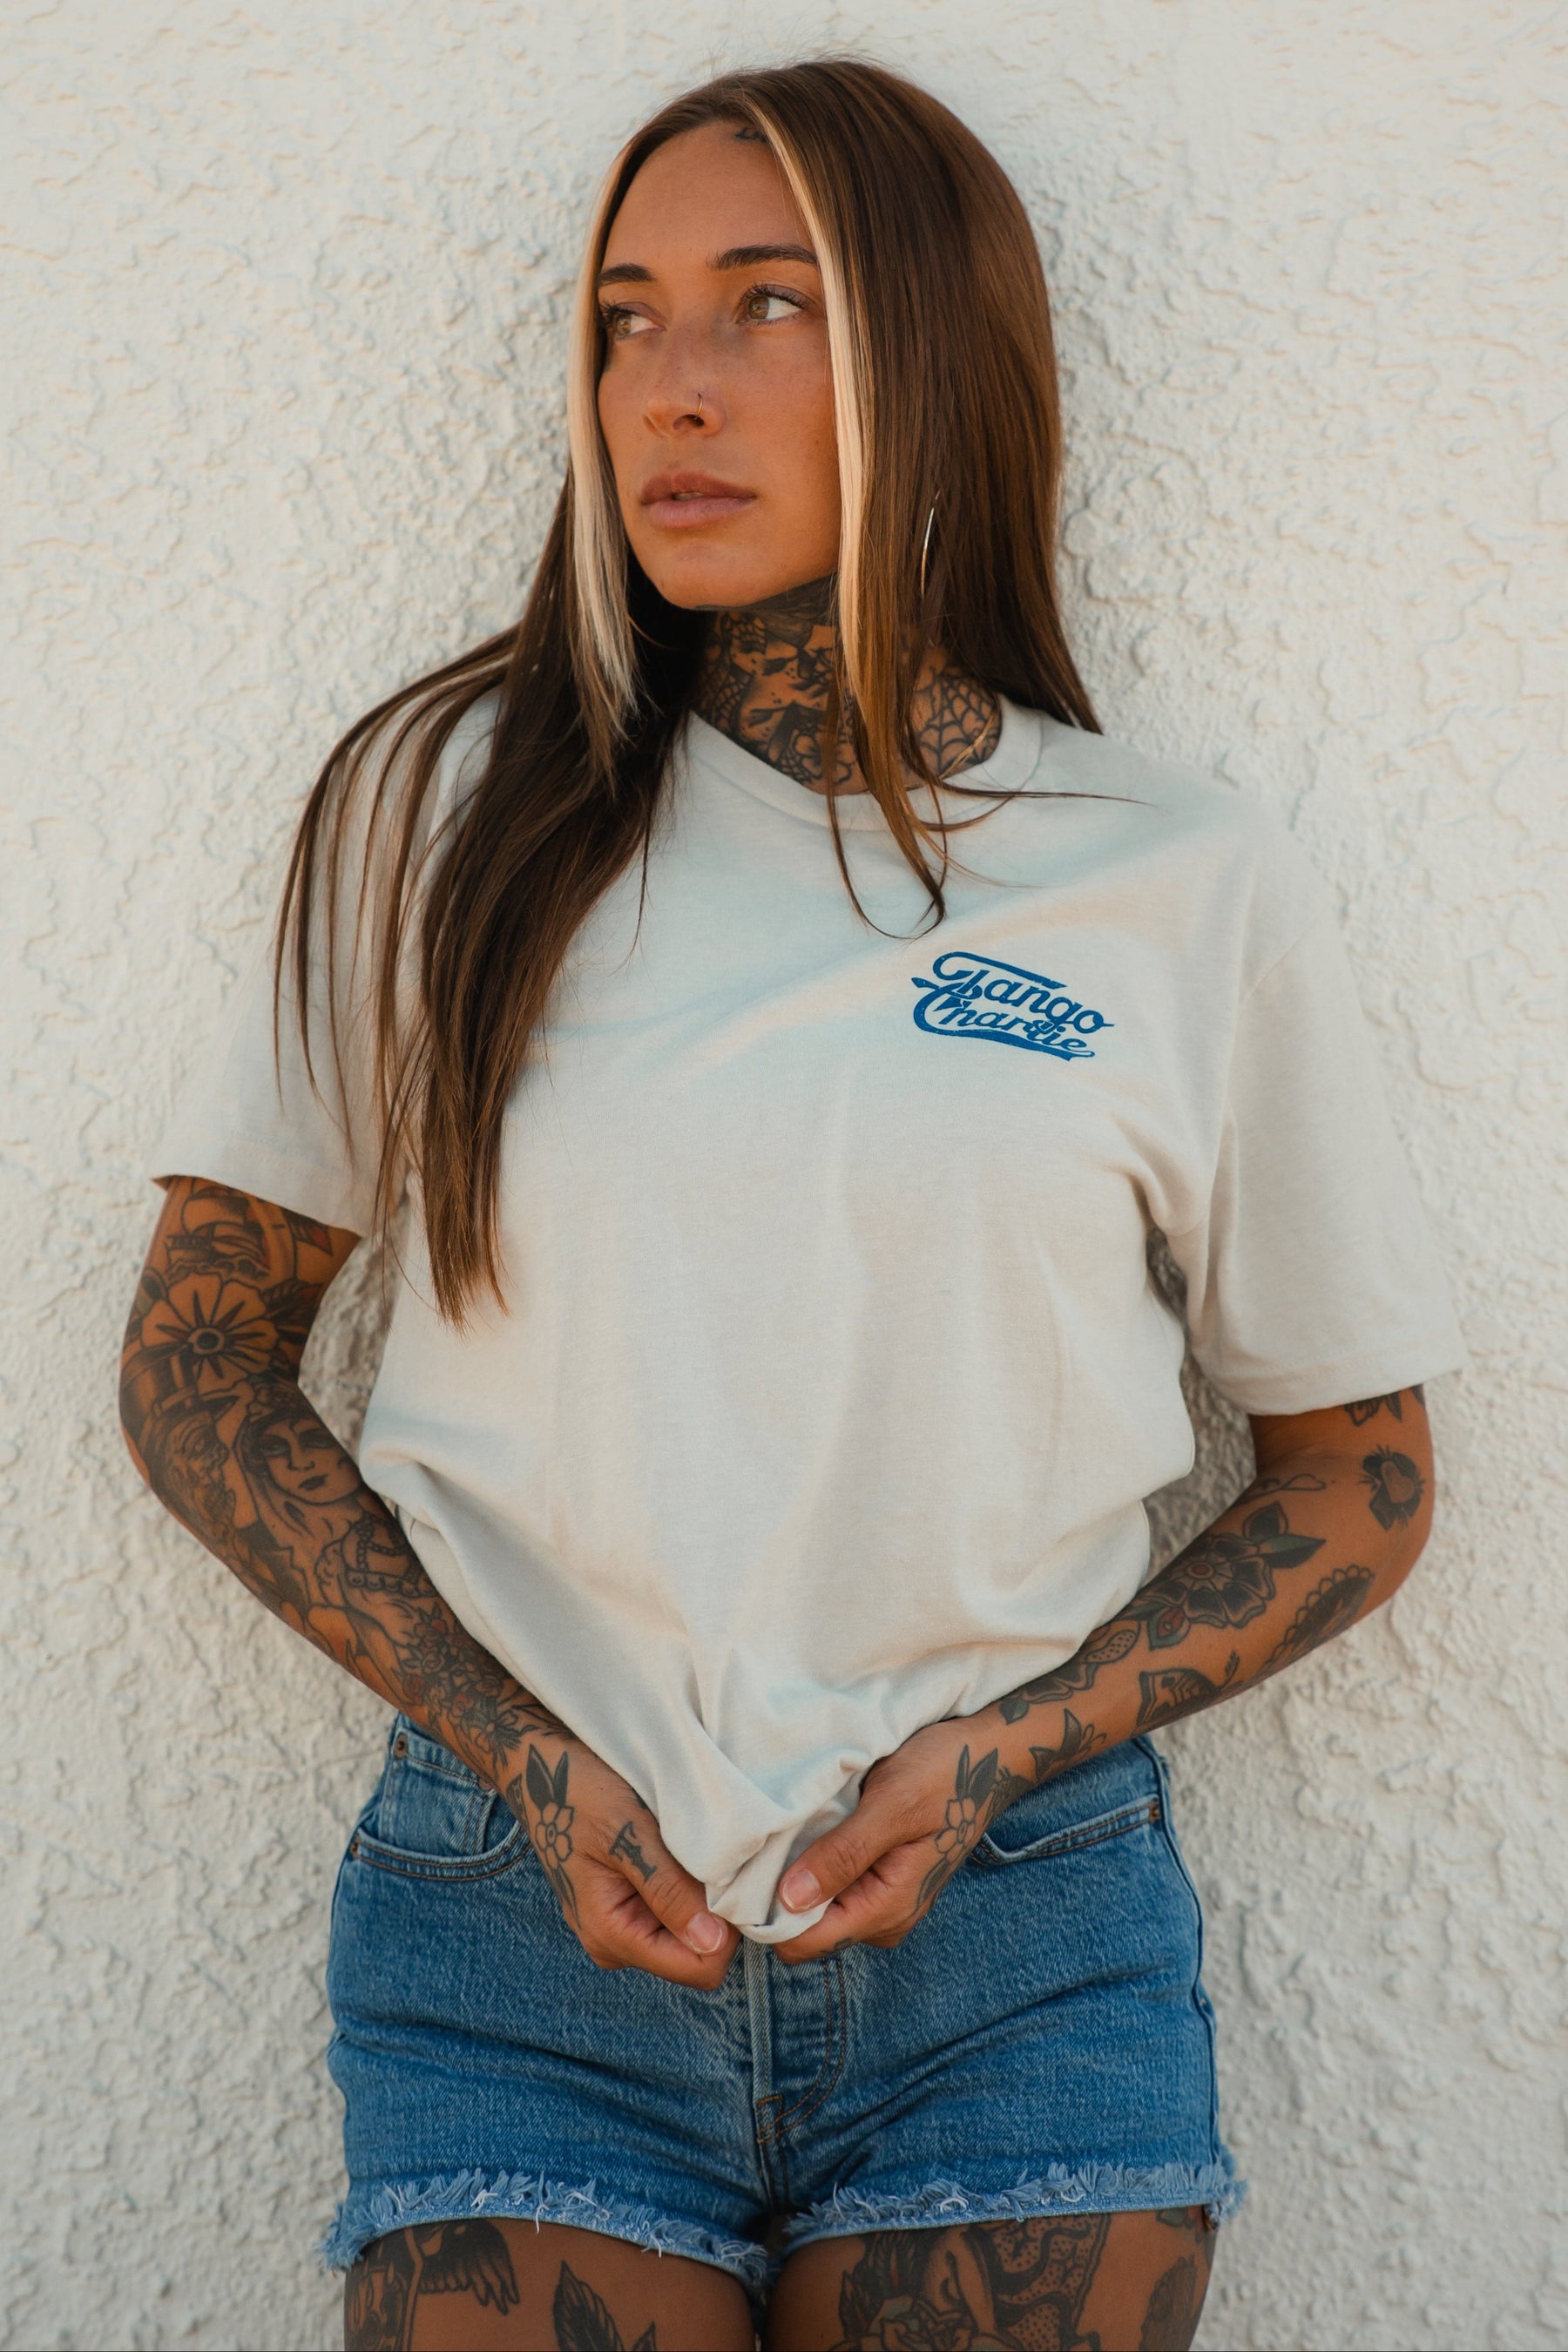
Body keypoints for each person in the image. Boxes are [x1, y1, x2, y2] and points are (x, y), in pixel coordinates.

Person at [120, 58, 1464, 2352]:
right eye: (629, 317)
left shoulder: (1169, 879)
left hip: (1012, 1948)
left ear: (935, 358)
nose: (676, 385)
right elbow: (193, 1354)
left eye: (771, 304)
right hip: (516, 1928)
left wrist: (1000, 1750)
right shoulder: (444, 813)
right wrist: (514, 1740)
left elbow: (1362, 1471)